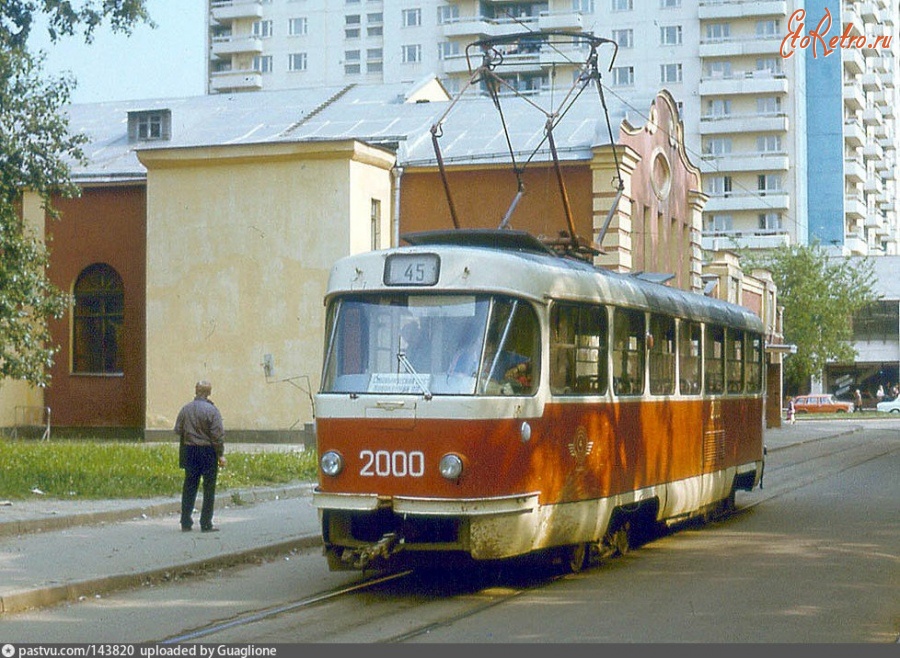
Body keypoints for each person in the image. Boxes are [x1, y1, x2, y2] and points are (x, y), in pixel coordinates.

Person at [175, 380, 226, 532]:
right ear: (209, 393)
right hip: (208, 452)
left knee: (189, 486)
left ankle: (185, 521)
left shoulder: (185, 409)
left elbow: (178, 429)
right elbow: (217, 435)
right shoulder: (212, 411)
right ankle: (205, 523)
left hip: (190, 451)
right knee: (209, 488)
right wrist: (220, 454)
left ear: (196, 391)